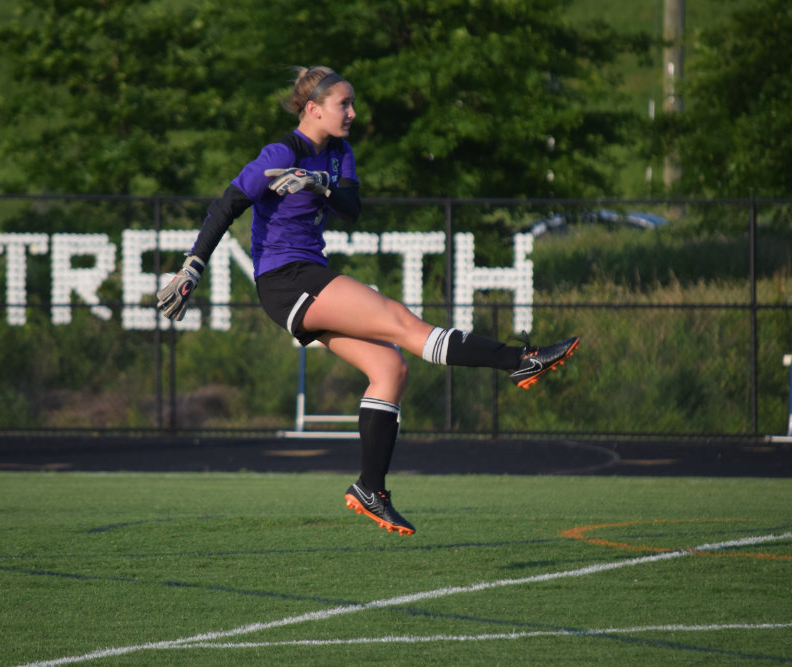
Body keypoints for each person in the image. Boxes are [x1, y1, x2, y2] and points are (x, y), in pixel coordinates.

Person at [157, 66, 579, 536]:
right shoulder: (281, 152)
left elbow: (352, 209)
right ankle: (520, 360)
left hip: (306, 275)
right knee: (401, 321)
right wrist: (192, 266)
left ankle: (369, 489)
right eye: (345, 104)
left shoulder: (339, 153)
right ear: (313, 109)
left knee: (391, 369)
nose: (353, 112)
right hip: (285, 278)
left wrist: (320, 185)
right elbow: (227, 205)